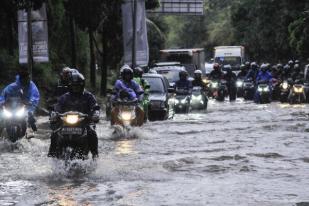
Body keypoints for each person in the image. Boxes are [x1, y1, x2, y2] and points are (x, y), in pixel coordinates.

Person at [48, 72, 100, 159]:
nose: (75, 88)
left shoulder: (88, 96)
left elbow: (95, 107)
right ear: (70, 86)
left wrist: (95, 114)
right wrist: (54, 114)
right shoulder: (64, 97)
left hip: (85, 122)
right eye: (73, 86)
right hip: (66, 123)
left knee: (92, 132)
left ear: (82, 85)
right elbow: (57, 107)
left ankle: (95, 155)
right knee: (55, 133)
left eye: (78, 86)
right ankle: (51, 155)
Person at [0, 67, 40, 132]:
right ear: (21, 79)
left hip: (25, 105)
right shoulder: (12, 86)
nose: (28, 80)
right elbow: (3, 94)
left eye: (28, 78)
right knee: (1, 117)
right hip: (11, 106)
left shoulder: (31, 86)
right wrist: (2, 102)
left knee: (30, 117)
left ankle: (31, 130)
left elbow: (36, 96)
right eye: (26, 78)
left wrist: (31, 102)